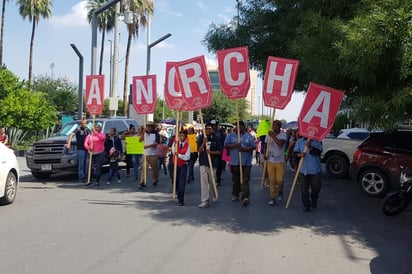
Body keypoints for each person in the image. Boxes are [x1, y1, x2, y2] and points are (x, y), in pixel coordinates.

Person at [224, 121, 256, 207]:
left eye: (241, 126)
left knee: (245, 179)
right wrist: (235, 145)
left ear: (244, 127)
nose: (240, 128)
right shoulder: (230, 136)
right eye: (238, 126)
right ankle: (235, 193)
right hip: (235, 161)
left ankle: (245, 196)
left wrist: (244, 149)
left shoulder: (248, 136)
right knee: (236, 179)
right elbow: (226, 146)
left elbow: (253, 146)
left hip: (246, 162)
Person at [294, 135, 323, 212]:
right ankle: (306, 204)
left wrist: (310, 147)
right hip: (303, 170)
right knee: (304, 189)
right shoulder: (299, 141)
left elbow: (318, 153)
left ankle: (314, 198)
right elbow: (295, 153)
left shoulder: (317, 141)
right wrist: (299, 155)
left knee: (316, 188)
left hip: (315, 171)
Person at [197, 123, 222, 208]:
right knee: (204, 182)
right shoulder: (201, 138)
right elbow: (199, 151)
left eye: (209, 129)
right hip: (203, 162)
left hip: (213, 162)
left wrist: (211, 152)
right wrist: (204, 143)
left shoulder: (216, 138)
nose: (207, 130)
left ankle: (214, 194)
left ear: (212, 129)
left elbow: (219, 151)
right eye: (206, 128)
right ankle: (205, 200)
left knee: (212, 181)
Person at [264, 120, 287, 205]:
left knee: (279, 180)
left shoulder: (283, 135)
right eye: (273, 125)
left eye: (276, 125)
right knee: (272, 180)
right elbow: (266, 145)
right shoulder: (268, 135)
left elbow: (280, 144)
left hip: (280, 161)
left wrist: (273, 136)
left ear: (279, 126)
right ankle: (272, 197)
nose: (274, 127)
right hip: (270, 160)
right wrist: (265, 154)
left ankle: (280, 191)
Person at [171, 130, 191, 206]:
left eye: (183, 136)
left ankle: (181, 200)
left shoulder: (188, 145)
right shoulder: (176, 143)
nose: (181, 137)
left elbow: (187, 157)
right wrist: (175, 145)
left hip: (183, 165)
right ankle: (176, 192)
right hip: (176, 164)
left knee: (181, 183)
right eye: (180, 135)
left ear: (185, 137)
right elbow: (173, 152)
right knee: (175, 180)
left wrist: (179, 155)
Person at [140, 121, 160, 189]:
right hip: (145, 154)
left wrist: (147, 146)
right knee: (144, 168)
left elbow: (156, 143)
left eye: (149, 126)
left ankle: (155, 180)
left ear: (152, 127)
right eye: (147, 126)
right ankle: (143, 181)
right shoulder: (144, 133)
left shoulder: (156, 134)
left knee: (154, 169)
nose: (148, 128)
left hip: (153, 154)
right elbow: (139, 140)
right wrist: (143, 132)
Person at [210, 119, 226, 185]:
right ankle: (213, 178)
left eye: (214, 125)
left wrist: (223, 150)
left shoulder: (221, 132)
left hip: (219, 152)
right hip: (211, 151)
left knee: (218, 166)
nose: (213, 126)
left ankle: (218, 179)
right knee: (212, 166)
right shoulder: (210, 132)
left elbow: (224, 141)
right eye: (212, 125)